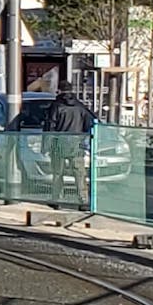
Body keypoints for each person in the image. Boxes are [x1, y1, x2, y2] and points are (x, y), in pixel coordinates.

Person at [46, 80, 97, 210]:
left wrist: (46, 144)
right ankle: (83, 201)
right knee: (79, 173)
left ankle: (57, 199)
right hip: (76, 143)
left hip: (59, 143)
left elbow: (50, 125)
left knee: (58, 173)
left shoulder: (56, 106)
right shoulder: (80, 106)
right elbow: (89, 123)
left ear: (59, 90)